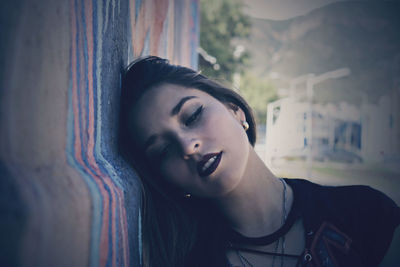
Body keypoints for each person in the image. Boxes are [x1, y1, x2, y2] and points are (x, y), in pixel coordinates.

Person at [118, 56, 400, 267]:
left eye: (192, 116)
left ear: (235, 111)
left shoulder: (365, 213)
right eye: (163, 151)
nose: (188, 146)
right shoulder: (191, 261)